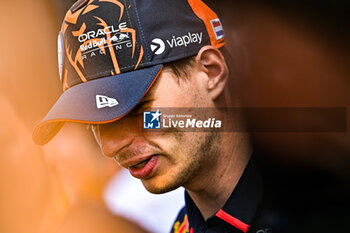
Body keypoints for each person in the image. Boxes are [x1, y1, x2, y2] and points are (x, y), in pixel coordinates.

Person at [33, 0, 271, 232]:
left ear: (211, 72)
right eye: (93, 123)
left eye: (136, 108)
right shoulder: (185, 225)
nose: (110, 146)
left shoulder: (300, 208)